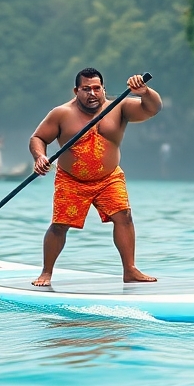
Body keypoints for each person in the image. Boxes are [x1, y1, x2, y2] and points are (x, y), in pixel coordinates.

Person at [29, 68, 162, 286]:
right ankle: (46, 273)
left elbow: (153, 109)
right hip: (71, 180)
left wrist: (145, 92)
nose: (92, 93)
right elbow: (38, 138)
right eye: (86, 89)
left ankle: (129, 270)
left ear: (103, 89)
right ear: (76, 90)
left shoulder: (120, 107)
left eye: (96, 88)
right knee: (60, 225)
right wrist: (40, 157)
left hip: (109, 178)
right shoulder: (62, 113)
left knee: (124, 216)